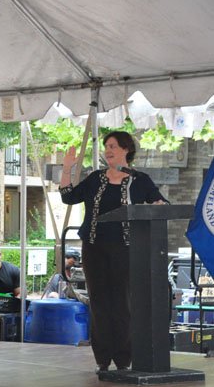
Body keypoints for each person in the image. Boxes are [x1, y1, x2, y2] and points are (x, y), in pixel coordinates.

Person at [60, 130, 167, 374]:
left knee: (122, 302)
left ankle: (123, 358)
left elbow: (160, 205)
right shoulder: (96, 178)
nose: (108, 150)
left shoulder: (140, 180)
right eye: (106, 146)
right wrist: (67, 169)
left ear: (126, 149)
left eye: (113, 146)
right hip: (94, 247)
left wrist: (158, 206)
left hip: (126, 249)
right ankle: (102, 358)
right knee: (98, 301)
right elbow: (68, 197)